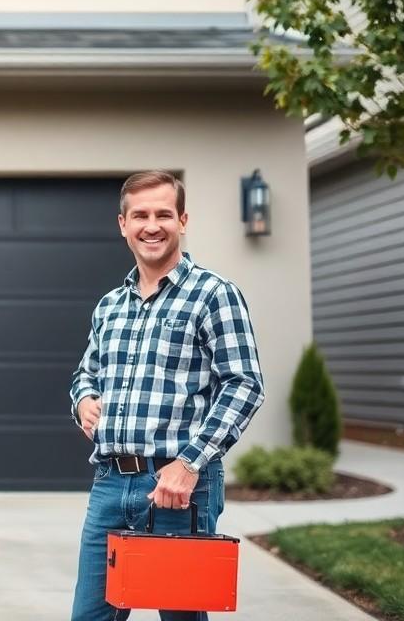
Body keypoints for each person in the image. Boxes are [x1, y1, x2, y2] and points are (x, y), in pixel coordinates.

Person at [69, 170, 265, 621]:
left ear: (182, 220)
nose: (151, 225)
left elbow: (245, 384)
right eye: (140, 215)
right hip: (110, 485)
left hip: (179, 490)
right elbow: (86, 373)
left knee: (180, 618)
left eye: (163, 214)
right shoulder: (110, 306)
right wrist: (82, 400)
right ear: (123, 224)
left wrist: (189, 464)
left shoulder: (214, 294)